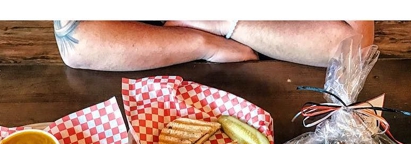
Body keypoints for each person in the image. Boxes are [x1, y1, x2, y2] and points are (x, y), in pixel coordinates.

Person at [54, 20, 374, 71]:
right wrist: (203, 43)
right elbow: (79, 44)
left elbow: (353, 47)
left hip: (276, 86)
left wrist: (226, 20)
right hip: (148, 88)